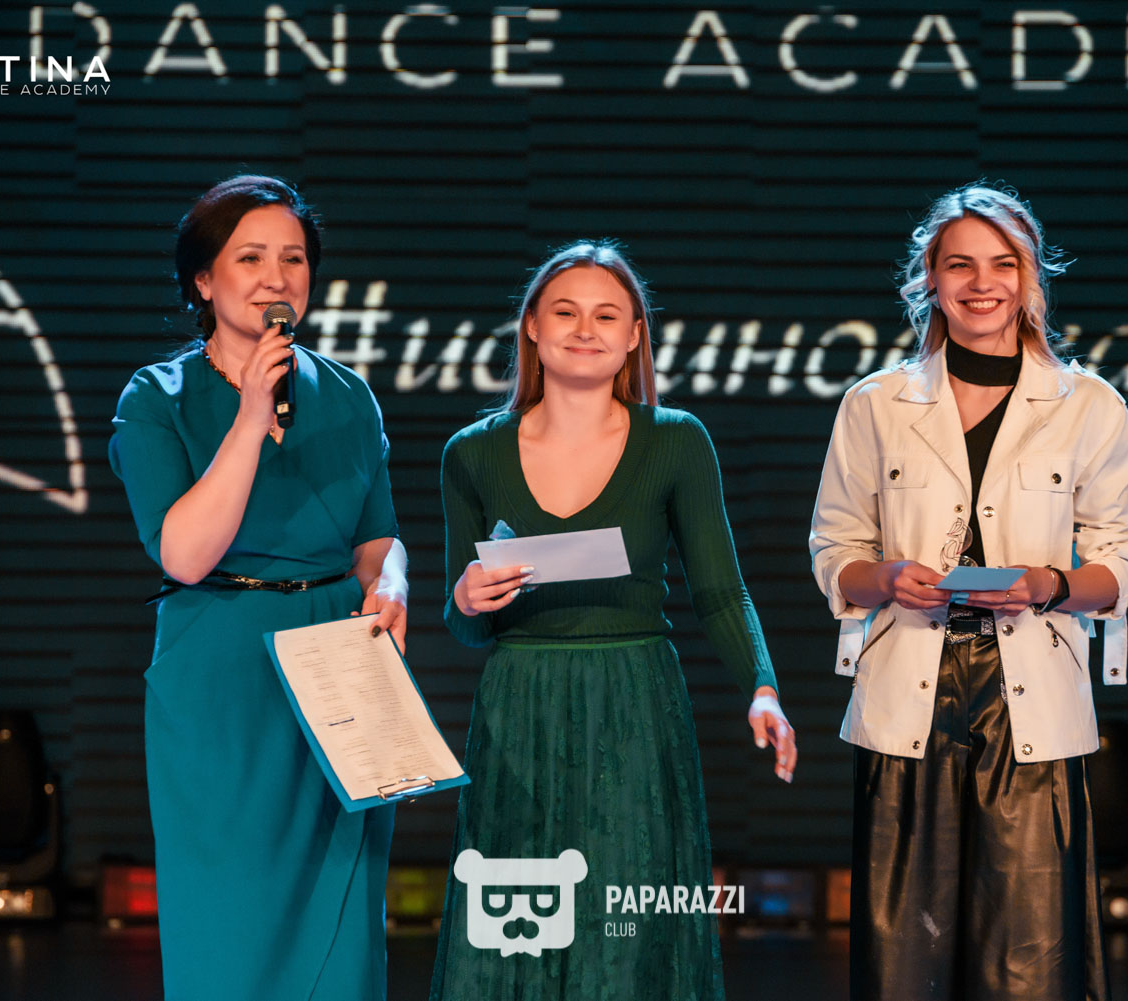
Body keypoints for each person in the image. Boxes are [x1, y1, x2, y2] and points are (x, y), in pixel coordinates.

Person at [809, 183, 1128, 1001]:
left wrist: (1050, 584)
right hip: (908, 691)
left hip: (1030, 694)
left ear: (1031, 277)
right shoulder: (875, 404)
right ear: (930, 277)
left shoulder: (1088, 406)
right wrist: (887, 578)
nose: (981, 282)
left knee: (1027, 960)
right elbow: (835, 550)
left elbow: (1125, 561)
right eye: (959, 264)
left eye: (1003, 263)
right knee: (905, 959)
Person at [429, 241, 797, 1000]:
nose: (584, 329)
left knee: (627, 934)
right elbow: (468, 627)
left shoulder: (676, 439)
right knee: (517, 933)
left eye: (606, 315)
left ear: (634, 335)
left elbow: (720, 591)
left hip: (635, 706)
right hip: (519, 710)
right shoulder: (471, 453)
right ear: (533, 327)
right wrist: (463, 600)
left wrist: (762, 686)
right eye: (565, 312)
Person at [109, 175, 407, 1001]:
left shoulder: (347, 394)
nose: (277, 277)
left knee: (343, 929)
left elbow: (377, 536)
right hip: (223, 667)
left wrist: (393, 580)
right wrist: (249, 416)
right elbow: (184, 553)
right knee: (228, 920)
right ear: (204, 279)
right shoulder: (156, 398)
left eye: (294, 258)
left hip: (342, 666)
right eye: (250, 258)